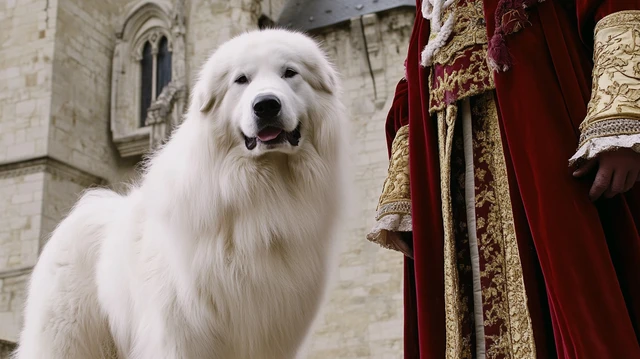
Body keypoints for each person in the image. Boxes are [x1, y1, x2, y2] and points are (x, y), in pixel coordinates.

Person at [366, 1, 640, 358]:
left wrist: (618, 113)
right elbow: (417, 63)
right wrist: (405, 186)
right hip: (451, 147)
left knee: (573, 286)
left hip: (541, 118)